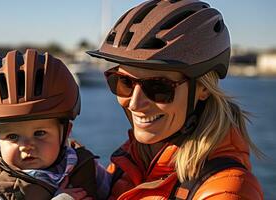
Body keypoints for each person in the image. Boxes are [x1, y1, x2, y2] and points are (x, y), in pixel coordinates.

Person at [87, 0, 264, 199]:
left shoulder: (227, 190)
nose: (135, 103)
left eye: (158, 87)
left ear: (203, 88)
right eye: (124, 82)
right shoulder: (130, 160)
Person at [0, 49, 110, 200]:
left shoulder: (83, 164)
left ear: (66, 131)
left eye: (40, 133)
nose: (26, 146)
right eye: (12, 136)